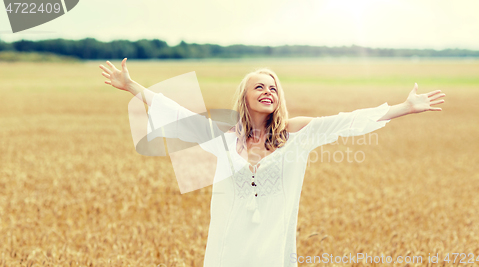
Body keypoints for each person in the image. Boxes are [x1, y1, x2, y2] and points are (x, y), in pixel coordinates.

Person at [99, 58, 445, 267]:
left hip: (271, 248)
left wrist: (405, 107)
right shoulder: (224, 136)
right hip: (228, 247)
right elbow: (180, 117)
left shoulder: (297, 134)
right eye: (260, 87)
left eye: (274, 88)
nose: (268, 91)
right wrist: (132, 87)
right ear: (245, 98)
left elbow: (346, 121)